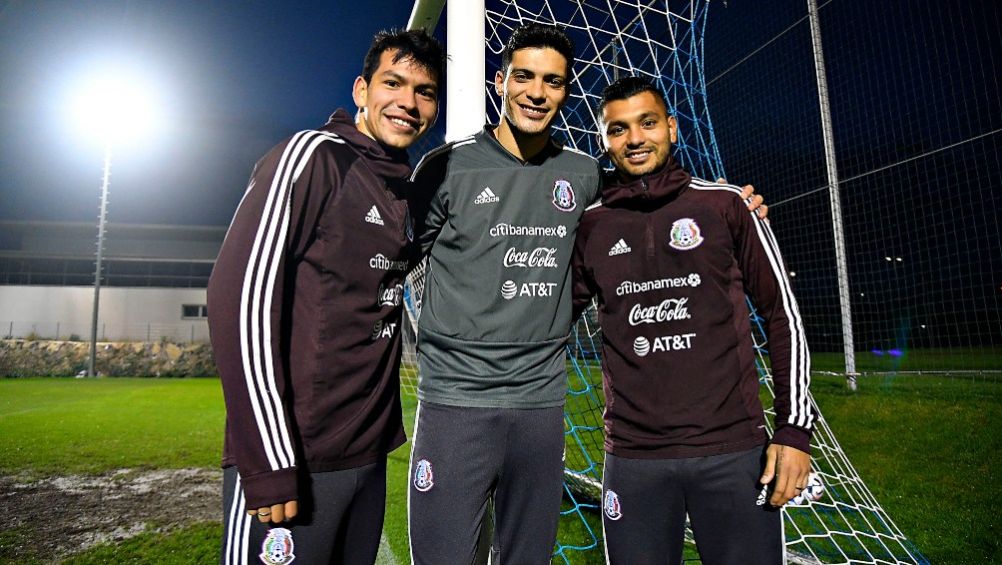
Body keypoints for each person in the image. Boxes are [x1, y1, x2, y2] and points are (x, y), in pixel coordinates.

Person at [406, 24, 766, 563]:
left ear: (566, 93)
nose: (536, 92)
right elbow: (389, 262)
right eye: (524, 77)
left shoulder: (585, 176)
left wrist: (734, 208)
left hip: (541, 406)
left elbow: (650, 203)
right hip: (457, 402)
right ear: (500, 81)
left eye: (552, 81)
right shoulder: (445, 168)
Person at [207, 28, 444, 565]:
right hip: (296, 458)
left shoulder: (403, 190)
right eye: (393, 83)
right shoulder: (313, 157)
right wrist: (269, 460)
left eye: (425, 91)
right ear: (361, 90)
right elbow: (236, 298)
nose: (408, 102)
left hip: (366, 459)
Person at [570, 76, 814, 564]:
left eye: (648, 123)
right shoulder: (590, 225)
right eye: (618, 129)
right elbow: (546, 321)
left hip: (732, 451)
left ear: (673, 128)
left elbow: (782, 314)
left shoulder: (725, 204)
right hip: (633, 460)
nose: (635, 139)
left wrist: (793, 431)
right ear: (603, 140)